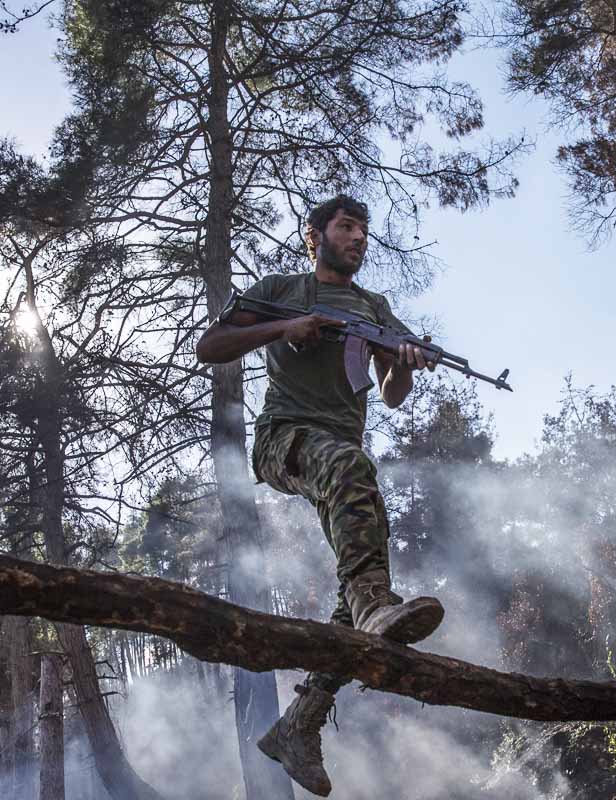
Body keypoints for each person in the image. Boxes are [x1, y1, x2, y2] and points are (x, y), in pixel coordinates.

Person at [195, 194, 442, 796]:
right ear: (316, 236)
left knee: (360, 564)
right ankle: (374, 603)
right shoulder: (284, 289)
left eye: (364, 230)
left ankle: (300, 724)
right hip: (286, 440)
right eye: (347, 227)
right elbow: (211, 344)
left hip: (341, 457)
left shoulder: (372, 306)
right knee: (355, 480)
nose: (359, 238)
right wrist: (287, 328)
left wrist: (403, 359)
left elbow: (392, 393)